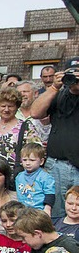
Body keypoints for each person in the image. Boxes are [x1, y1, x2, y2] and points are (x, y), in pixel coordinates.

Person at [30, 57, 79, 219]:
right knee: (56, 214)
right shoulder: (57, 94)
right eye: (72, 73)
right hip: (57, 165)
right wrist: (54, 87)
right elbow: (35, 113)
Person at [0, 88, 41, 196]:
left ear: (16, 107)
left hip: (17, 182)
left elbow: (36, 154)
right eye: (3, 106)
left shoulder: (26, 128)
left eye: (10, 106)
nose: (6, 109)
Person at [15, 143, 55, 215]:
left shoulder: (46, 177)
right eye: (25, 160)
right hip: (22, 211)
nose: (27, 163)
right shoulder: (19, 177)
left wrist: (47, 208)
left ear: (41, 161)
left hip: (39, 212)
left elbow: (50, 195)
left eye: (32, 160)